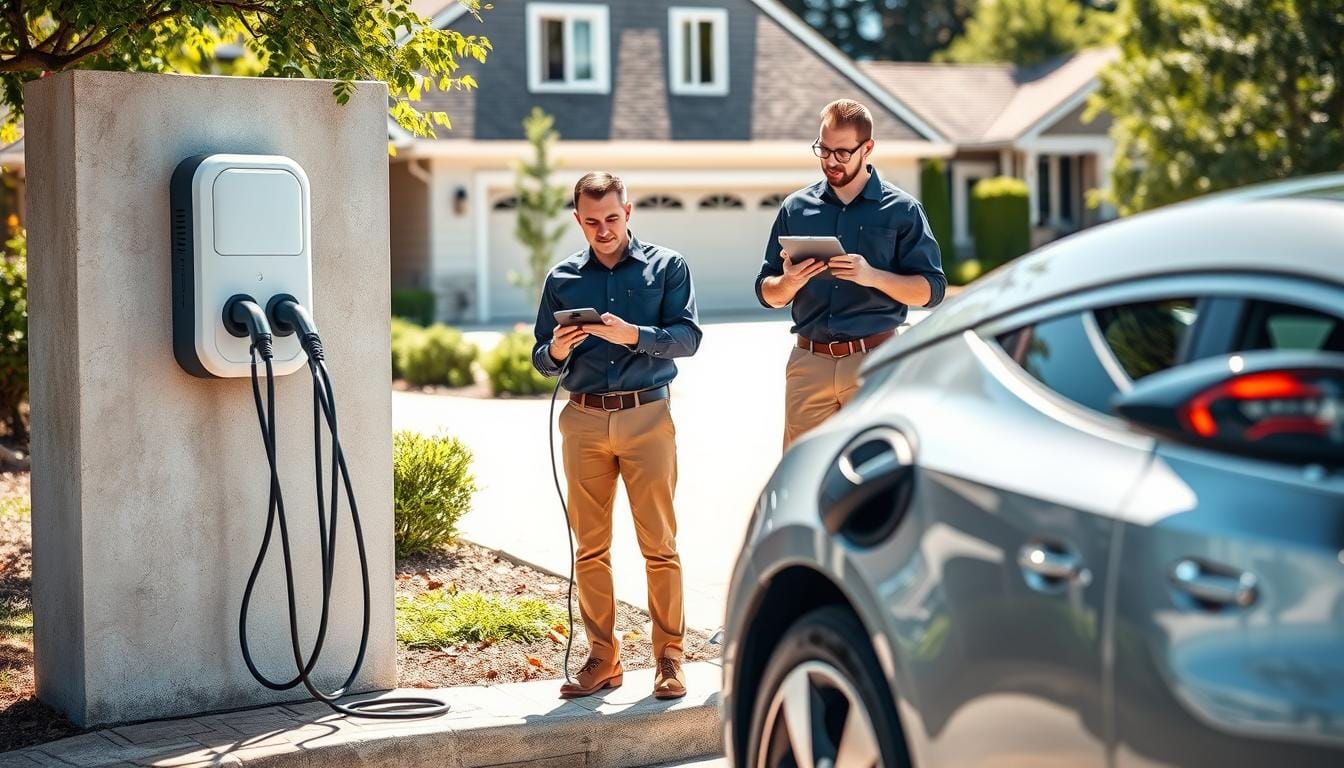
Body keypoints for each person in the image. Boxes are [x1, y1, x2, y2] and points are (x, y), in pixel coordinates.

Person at [532, 171, 702, 700]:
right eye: (591, 221)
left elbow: (688, 337)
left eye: (611, 218)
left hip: (646, 415)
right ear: (577, 219)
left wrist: (634, 336)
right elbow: (541, 357)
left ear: (628, 212)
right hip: (582, 418)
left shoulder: (667, 266)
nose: (603, 230)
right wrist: (557, 349)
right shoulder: (562, 278)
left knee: (659, 545)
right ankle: (603, 658)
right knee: (589, 548)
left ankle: (669, 657)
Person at [756, 99, 946, 449]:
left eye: (842, 153)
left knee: (873, 467)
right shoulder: (795, 209)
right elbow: (767, 292)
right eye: (823, 149)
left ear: (867, 148)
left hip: (874, 361)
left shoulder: (902, 210)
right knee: (802, 468)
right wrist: (789, 282)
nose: (830, 161)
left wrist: (872, 276)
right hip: (808, 364)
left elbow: (932, 291)